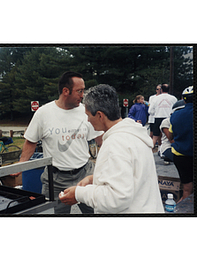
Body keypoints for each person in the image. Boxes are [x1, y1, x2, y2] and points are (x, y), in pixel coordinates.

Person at [59, 84, 164, 214]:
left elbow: (116, 199)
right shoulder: (133, 134)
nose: (87, 120)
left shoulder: (115, 144)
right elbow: (131, 174)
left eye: (88, 115)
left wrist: (78, 194)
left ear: (100, 115)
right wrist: (93, 179)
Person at [13, 71, 103, 214]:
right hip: (55, 180)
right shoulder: (43, 113)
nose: (83, 95)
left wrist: (110, 163)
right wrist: (21, 164)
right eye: (80, 91)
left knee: (96, 212)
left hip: (85, 175)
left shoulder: (85, 111)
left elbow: (100, 140)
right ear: (65, 91)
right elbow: (31, 141)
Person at [168, 86, 193, 203]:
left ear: (184, 100)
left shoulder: (176, 115)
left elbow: (171, 136)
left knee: (187, 190)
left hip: (181, 156)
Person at [148, 83, 177, 148]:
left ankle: (151, 151)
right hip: (169, 119)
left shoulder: (155, 98)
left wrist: (156, 112)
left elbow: (150, 111)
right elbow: (176, 109)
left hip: (158, 118)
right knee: (169, 136)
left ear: (161, 89)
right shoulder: (173, 98)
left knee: (155, 137)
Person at [159, 100, 185, 164]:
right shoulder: (167, 121)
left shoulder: (186, 120)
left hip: (183, 146)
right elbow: (171, 140)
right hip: (169, 146)